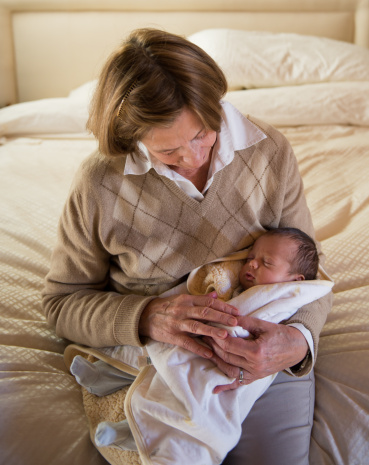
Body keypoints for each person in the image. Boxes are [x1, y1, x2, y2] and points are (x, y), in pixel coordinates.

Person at [42, 28, 332, 464]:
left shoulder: (270, 153)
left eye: (201, 134)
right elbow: (61, 303)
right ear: (132, 136)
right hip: (155, 355)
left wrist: (294, 341)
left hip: (259, 352)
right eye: (169, 152)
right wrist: (146, 317)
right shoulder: (99, 184)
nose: (194, 158)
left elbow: (307, 275)